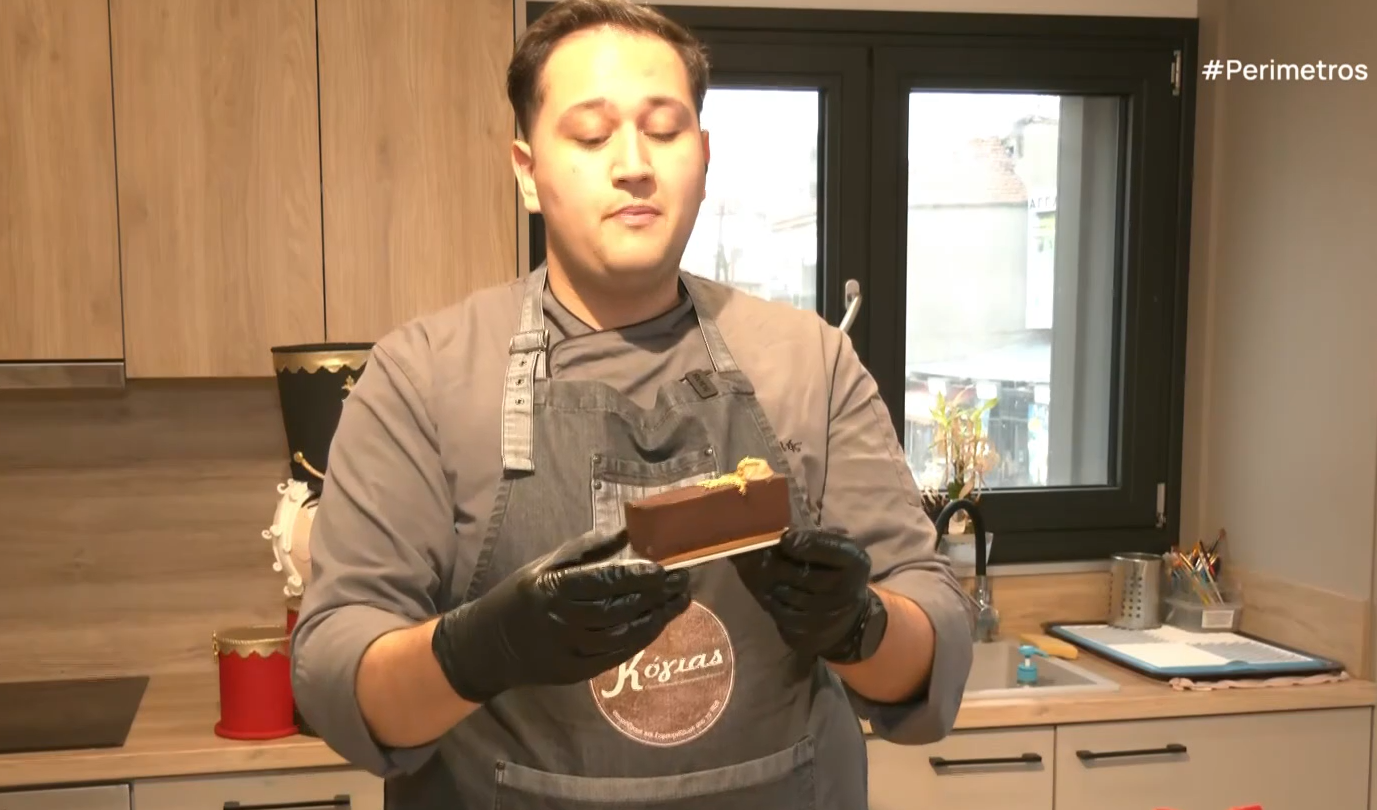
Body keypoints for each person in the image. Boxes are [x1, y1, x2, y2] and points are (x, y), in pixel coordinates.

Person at [290, 0, 976, 806]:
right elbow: (335, 672)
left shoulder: (809, 364)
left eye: (664, 129)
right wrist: (479, 650)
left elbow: (933, 636)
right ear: (526, 171)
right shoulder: (422, 379)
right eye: (590, 136)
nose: (633, 165)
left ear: (703, 159)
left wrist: (857, 624)